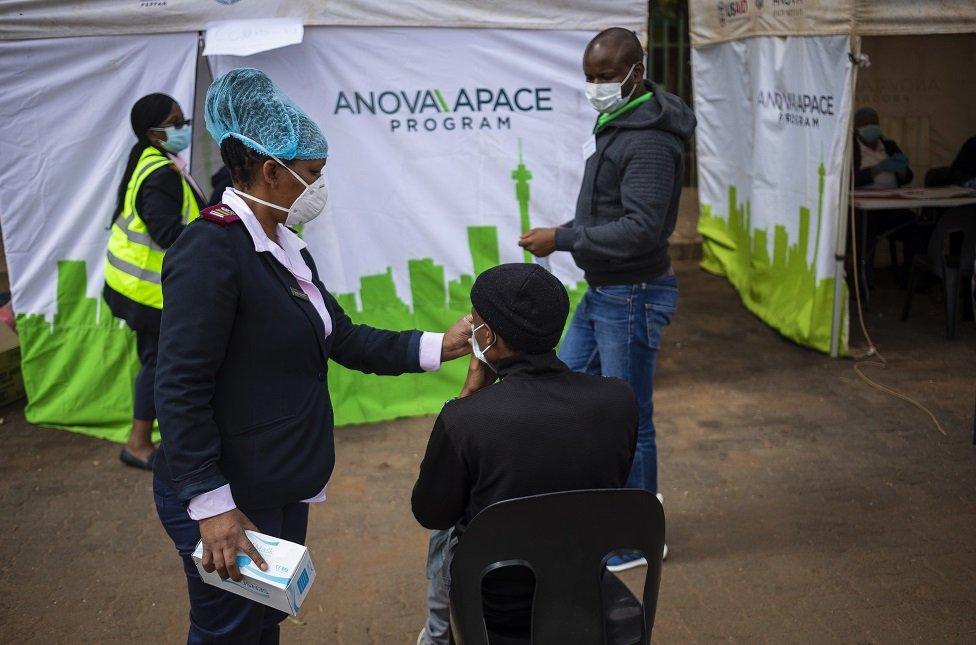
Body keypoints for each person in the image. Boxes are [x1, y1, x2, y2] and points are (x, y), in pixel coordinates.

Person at [152, 68, 471, 644]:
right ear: (272, 172)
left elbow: (340, 337)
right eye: (312, 175)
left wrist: (440, 346)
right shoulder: (212, 249)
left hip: (275, 482)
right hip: (228, 495)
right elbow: (179, 386)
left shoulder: (282, 245)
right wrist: (212, 505)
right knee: (227, 630)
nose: (319, 189)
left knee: (260, 620)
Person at [519, 27, 695, 570]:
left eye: (604, 77)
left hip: (632, 295)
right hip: (605, 293)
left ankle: (637, 538)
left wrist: (565, 238)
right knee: (559, 387)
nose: (594, 87)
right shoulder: (621, 120)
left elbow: (641, 229)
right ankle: (605, 509)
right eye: (589, 78)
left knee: (629, 418)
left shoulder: (646, 140)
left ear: (635, 74)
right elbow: (610, 214)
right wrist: (566, 230)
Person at [412, 263, 638, 645]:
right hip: (583, 588)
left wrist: (466, 398)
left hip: (495, 609)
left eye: (476, 322)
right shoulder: (618, 399)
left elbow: (431, 512)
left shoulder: (467, 419)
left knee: (445, 533)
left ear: (490, 338)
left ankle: (437, 635)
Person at [104, 93, 205, 470]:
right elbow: (165, 231)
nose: (183, 128)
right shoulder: (160, 171)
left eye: (183, 119)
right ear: (153, 132)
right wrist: (209, 237)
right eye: (175, 122)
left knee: (158, 362)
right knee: (159, 365)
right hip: (145, 292)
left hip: (135, 286)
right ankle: (138, 444)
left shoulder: (155, 159)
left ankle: (153, 437)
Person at [851, 106, 919, 287]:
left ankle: (910, 279)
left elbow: (907, 178)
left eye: (874, 123)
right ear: (856, 128)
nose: (871, 127)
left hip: (891, 205)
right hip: (863, 208)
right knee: (865, 230)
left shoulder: (889, 145)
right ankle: (864, 282)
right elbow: (848, 180)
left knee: (916, 225)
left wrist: (902, 170)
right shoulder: (850, 148)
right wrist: (876, 169)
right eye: (865, 124)